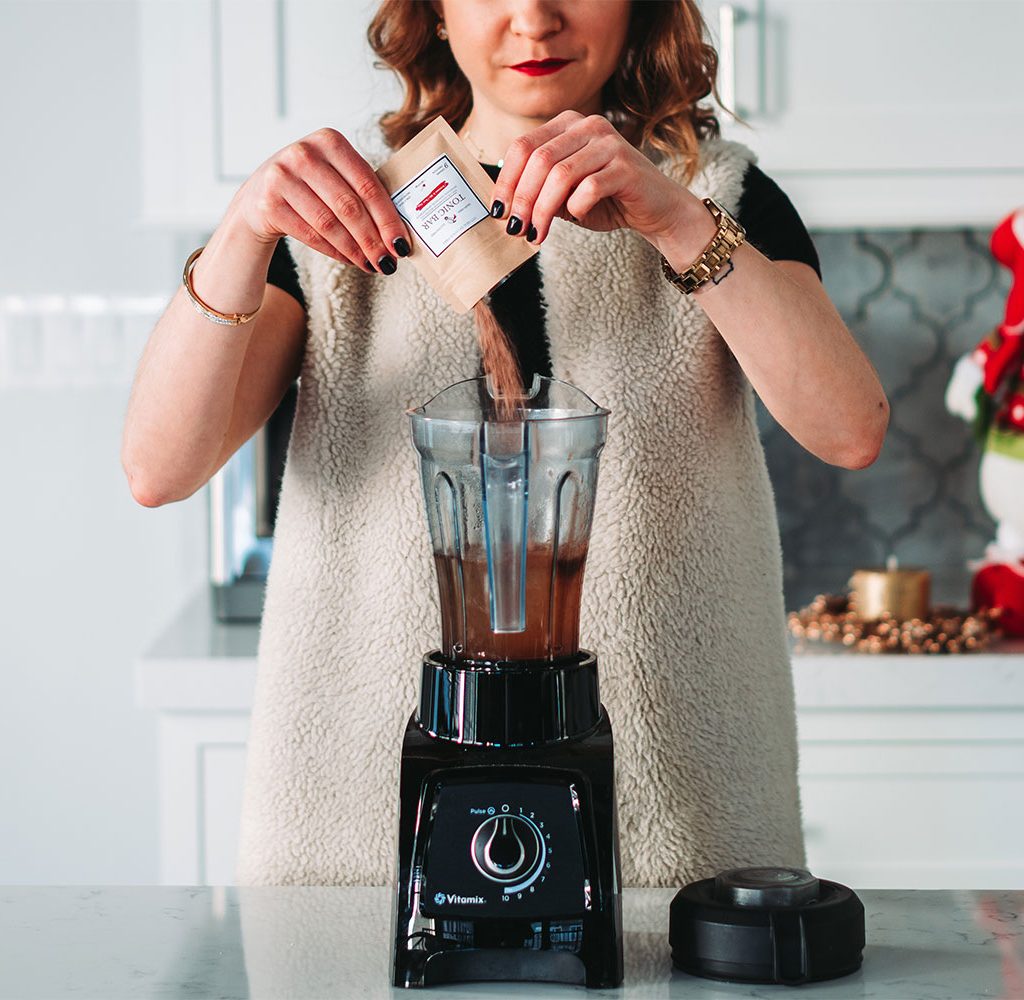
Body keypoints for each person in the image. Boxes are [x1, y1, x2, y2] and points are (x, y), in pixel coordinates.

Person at [122, 0, 889, 888]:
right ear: (435, 14)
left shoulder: (714, 197)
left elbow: (849, 431)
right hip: (362, 817)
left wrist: (673, 217)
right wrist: (244, 228)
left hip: (676, 809)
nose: (535, 18)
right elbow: (159, 468)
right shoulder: (344, 219)